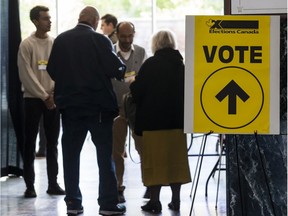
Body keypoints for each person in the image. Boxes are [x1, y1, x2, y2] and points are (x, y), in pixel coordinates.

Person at [47, 6, 126, 216]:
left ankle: (73, 203)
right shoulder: (101, 41)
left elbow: (52, 70)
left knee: (71, 156)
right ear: (95, 21)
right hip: (98, 108)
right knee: (104, 156)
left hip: (71, 109)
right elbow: (116, 69)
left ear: (79, 18)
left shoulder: (61, 40)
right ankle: (107, 204)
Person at [130, 30, 191, 213]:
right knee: (176, 162)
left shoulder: (150, 64)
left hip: (153, 123)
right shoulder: (181, 65)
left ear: (155, 44)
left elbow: (138, 92)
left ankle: (155, 202)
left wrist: (133, 82)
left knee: (154, 163)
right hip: (177, 122)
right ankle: (176, 200)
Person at [17, 5, 65, 198]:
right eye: (45, 18)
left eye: (49, 17)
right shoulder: (26, 45)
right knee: (30, 142)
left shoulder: (54, 43)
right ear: (36, 21)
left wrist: (52, 93)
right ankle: (30, 186)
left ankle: (53, 184)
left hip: (52, 99)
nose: (49, 21)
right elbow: (26, 74)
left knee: (53, 144)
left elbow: (60, 69)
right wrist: (44, 96)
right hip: (33, 100)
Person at [112, 21, 147, 203]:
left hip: (136, 108)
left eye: (130, 36)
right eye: (123, 36)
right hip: (116, 108)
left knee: (142, 148)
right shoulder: (109, 51)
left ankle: (149, 184)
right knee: (116, 151)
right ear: (117, 34)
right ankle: (118, 186)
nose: (126, 40)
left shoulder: (141, 52)